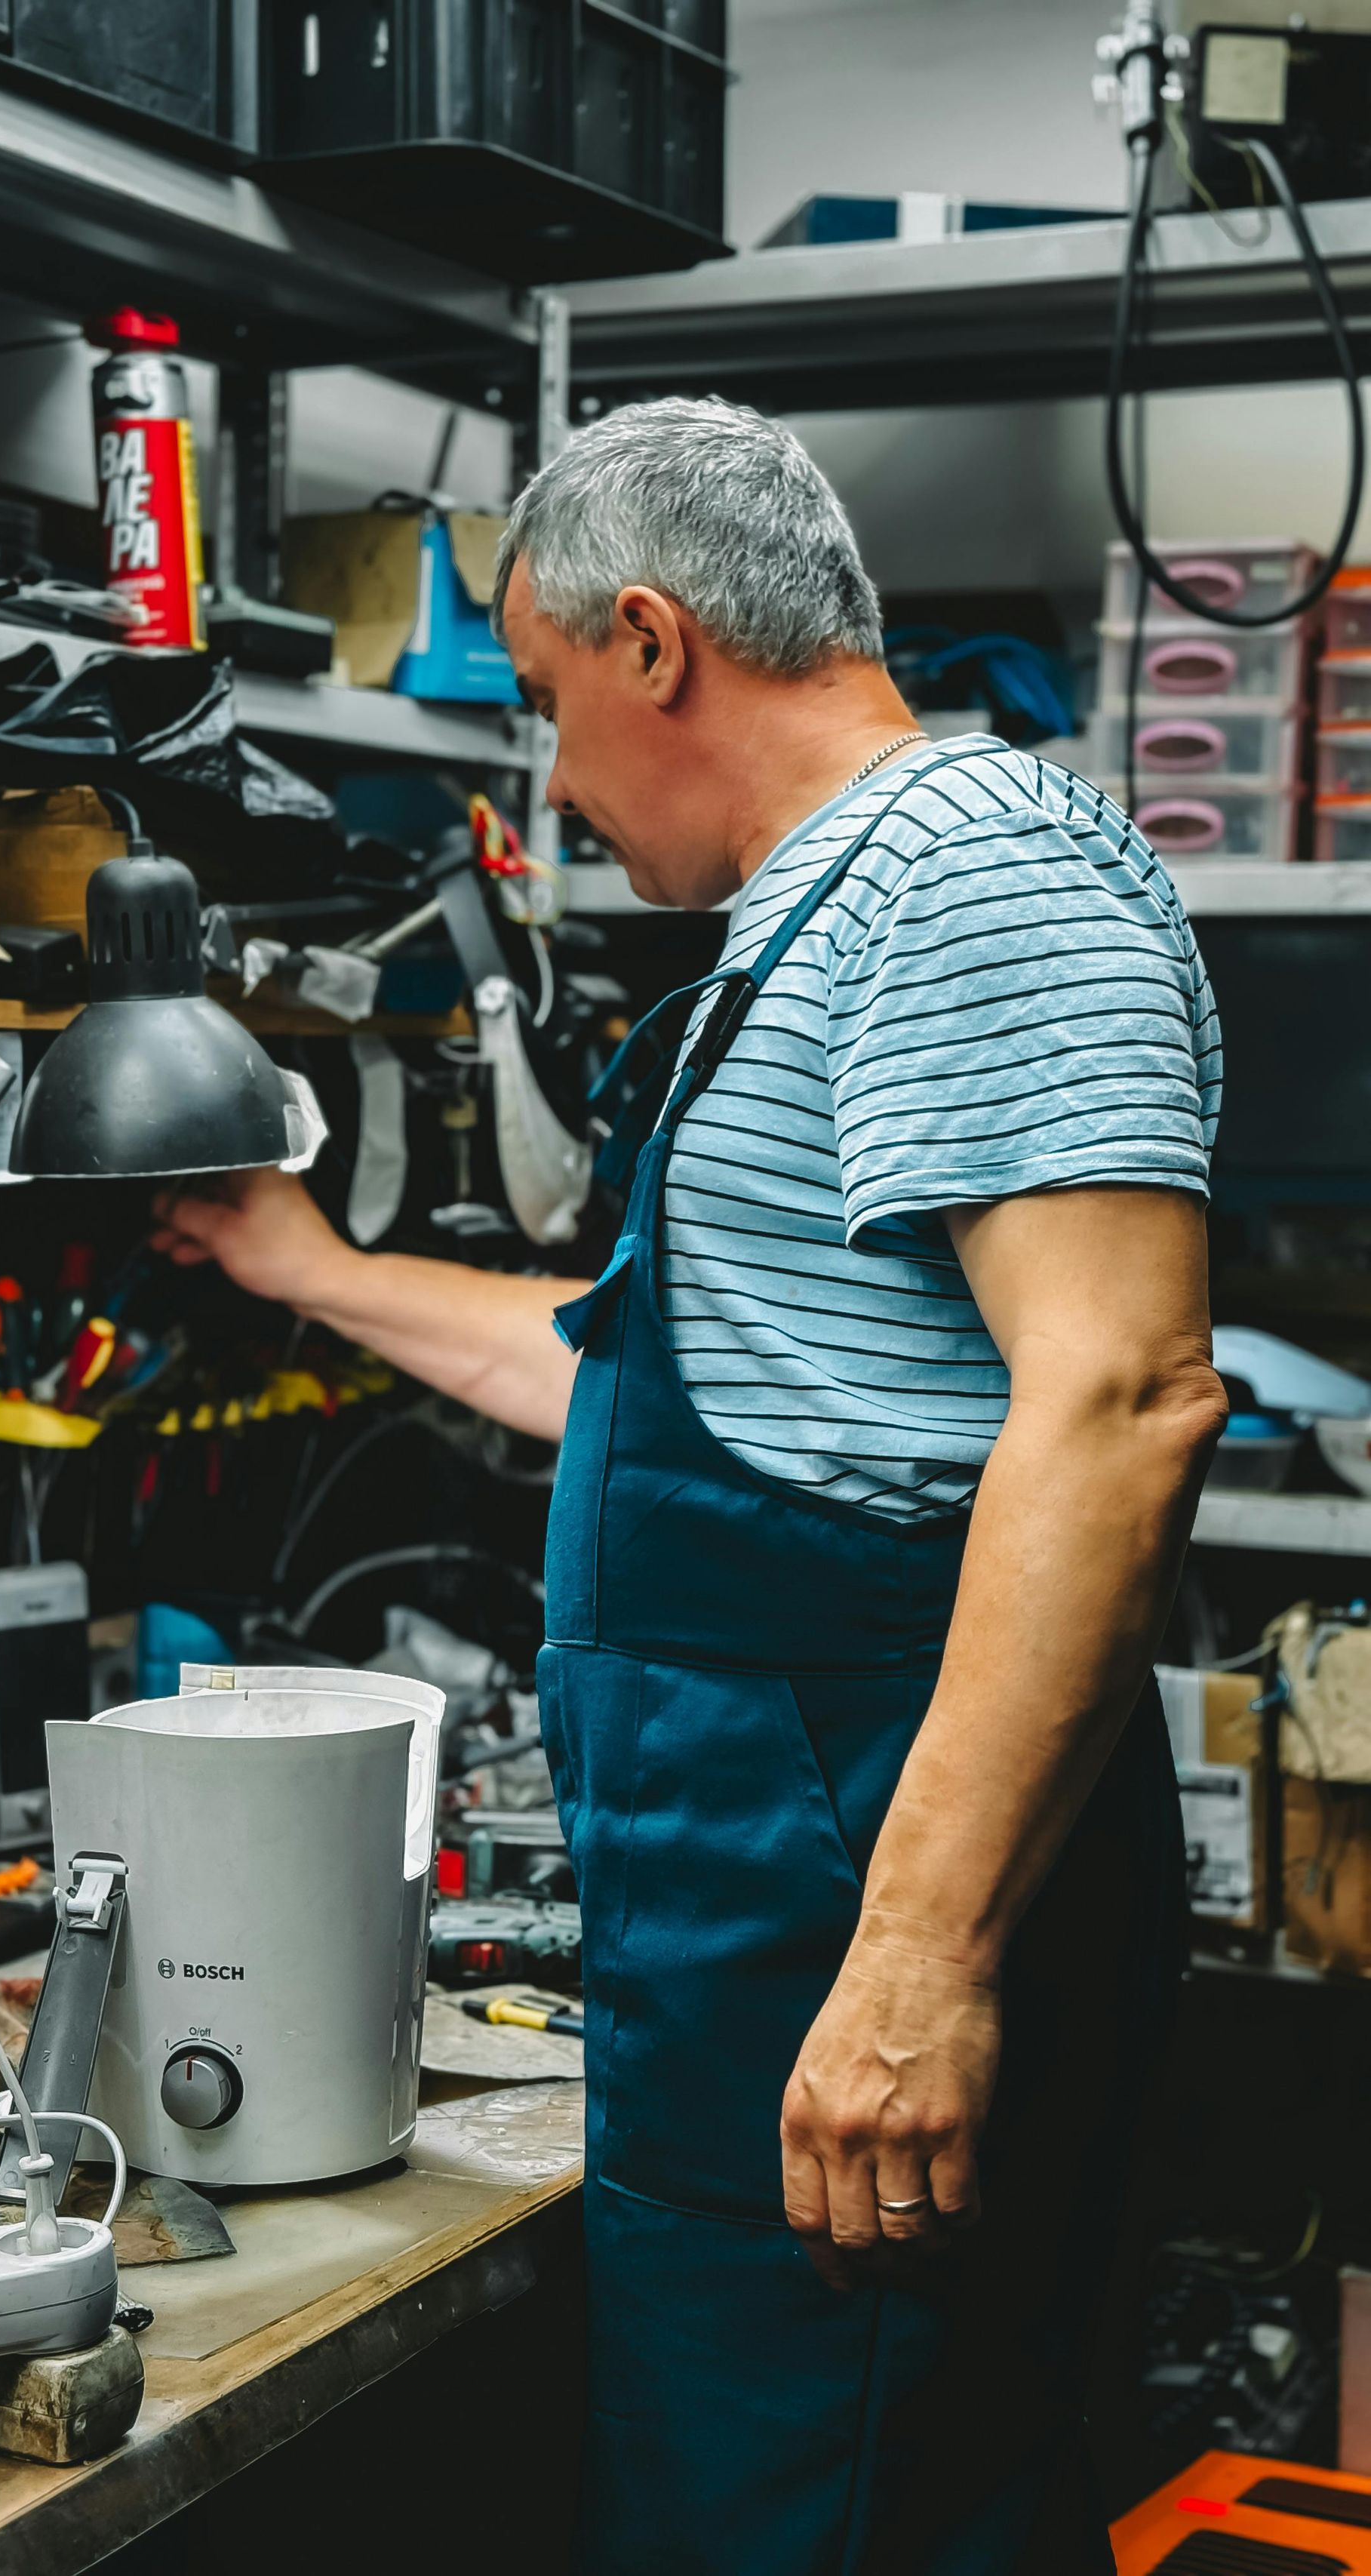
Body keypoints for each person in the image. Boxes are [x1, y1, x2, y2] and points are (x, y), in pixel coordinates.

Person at [153, 397, 1225, 2574]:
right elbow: (682, 1402)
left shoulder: (965, 878)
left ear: (655, 642)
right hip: (756, 1945)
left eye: (541, 707)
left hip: (852, 1936)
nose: (542, 787)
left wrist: (919, 1963)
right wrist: (313, 1271)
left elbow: (1120, 1403)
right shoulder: (827, 919)